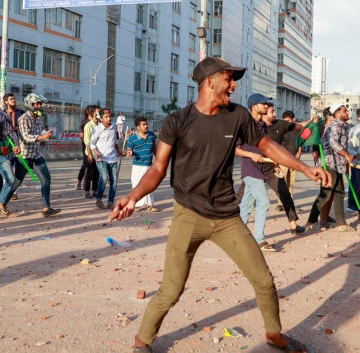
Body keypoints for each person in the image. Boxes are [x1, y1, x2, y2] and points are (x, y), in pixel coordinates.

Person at [108, 57, 331, 353]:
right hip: (188, 215)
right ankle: (142, 341)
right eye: (229, 78)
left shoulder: (237, 115)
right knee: (171, 290)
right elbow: (157, 169)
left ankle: (274, 335)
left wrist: (304, 169)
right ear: (210, 81)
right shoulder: (177, 120)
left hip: (227, 217)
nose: (233, 84)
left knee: (263, 280)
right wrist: (133, 196)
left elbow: (267, 147)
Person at [235, 94, 280, 251]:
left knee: (246, 206)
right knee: (264, 202)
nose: (267, 106)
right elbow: (235, 149)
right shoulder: (244, 124)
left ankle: (237, 237)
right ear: (254, 106)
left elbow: (264, 147)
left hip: (259, 169)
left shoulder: (262, 125)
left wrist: (274, 164)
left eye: (267, 104)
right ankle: (259, 240)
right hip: (249, 169)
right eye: (264, 103)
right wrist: (252, 155)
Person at [305, 103, 354, 232]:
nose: (347, 113)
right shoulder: (336, 125)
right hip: (329, 164)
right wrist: (347, 155)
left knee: (339, 193)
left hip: (336, 164)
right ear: (337, 113)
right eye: (345, 111)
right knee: (325, 194)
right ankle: (310, 222)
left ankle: (341, 223)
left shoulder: (340, 126)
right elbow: (333, 143)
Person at [17, 93, 61, 217]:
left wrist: (43, 138)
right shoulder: (24, 118)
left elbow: (37, 134)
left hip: (36, 155)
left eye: (40, 104)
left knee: (46, 178)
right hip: (25, 155)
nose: (39, 106)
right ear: (30, 105)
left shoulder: (38, 117)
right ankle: (1, 202)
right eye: (37, 104)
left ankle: (46, 208)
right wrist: (41, 137)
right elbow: (25, 136)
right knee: (16, 182)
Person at [263, 106, 305, 233]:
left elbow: (299, 128)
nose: (275, 114)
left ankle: (294, 226)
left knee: (285, 193)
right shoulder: (254, 127)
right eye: (272, 112)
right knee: (245, 198)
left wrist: (313, 122)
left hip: (272, 166)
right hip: (254, 168)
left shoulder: (280, 126)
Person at [89, 108, 122, 209]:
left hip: (112, 158)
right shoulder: (97, 129)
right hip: (101, 158)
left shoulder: (114, 127)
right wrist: (97, 154)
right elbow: (91, 143)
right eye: (106, 117)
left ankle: (110, 202)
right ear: (101, 118)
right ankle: (98, 200)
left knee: (114, 181)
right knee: (103, 179)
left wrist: (118, 150)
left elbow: (114, 140)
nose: (108, 119)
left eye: (109, 116)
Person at [126, 116, 158, 212]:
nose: (146, 126)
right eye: (143, 124)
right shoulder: (132, 139)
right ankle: (135, 205)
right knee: (136, 185)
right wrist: (129, 153)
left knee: (151, 185)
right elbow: (129, 150)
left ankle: (150, 205)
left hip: (149, 164)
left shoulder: (151, 135)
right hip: (137, 165)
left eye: (146, 124)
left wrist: (158, 158)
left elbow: (154, 147)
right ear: (138, 127)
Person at [83, 105, 101, 199]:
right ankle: (86, 191)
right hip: (91, 153)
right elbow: (87, 141)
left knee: (97, 174)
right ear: (93, 113)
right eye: (98, 112)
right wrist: (90, 154)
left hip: (99, 153)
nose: (99, 114)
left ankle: (95, 191)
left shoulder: (100, 124)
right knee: (89, 173)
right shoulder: (88, 126)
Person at [76, 105, 93, 190]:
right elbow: (81, 135)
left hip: (95, 147)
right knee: (85, 164)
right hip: (87, 146)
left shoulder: (97, 122)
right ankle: (79, 182)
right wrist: (87, 145)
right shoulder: (85, 122)